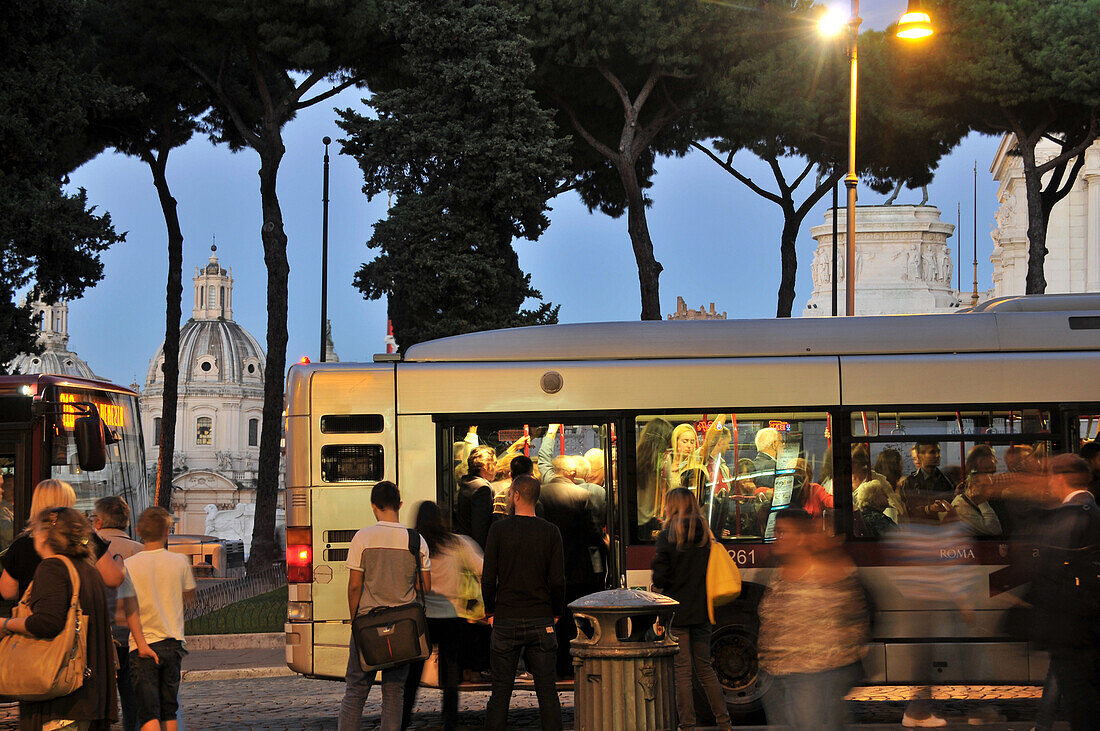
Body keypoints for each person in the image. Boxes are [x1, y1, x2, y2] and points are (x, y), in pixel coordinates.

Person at [0, 507, 118, 730]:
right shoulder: (88, 569)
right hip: (88, 694)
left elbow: (46, 623)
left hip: (62, 700)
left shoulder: (52, 568)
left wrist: (5, 624)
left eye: (34, 532)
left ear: (45, 535)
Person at [759, 509, 869, 730]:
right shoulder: (778, 573)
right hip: (776, 676)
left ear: (800, 538)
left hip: (815, 675)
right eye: (775, 532)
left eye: (782, 533)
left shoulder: (828, 572)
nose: (776, 539)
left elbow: (856, 619)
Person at [339, 481, 431, 731]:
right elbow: (426, 587)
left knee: (356, 689)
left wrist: (353, 619)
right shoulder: (416, 540)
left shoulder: (362, 538)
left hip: (368, 624)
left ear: (373, 506)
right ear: (399, 504)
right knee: (394, 692)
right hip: (402, 627)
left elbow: (355, 586)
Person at [1023, 454, 1100, 730]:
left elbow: (1047, 570)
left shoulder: (1068, 516)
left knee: (1081, 702)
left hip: (1069, 625)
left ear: (1059, 478)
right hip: (1088, 623)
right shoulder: (1094, 511)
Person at [482, 474, 565, 731]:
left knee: (500, 692)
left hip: (506, 617)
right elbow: (558, 580)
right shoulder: (551, 531)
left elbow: (488, 578)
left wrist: (490, 611)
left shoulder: (498, 530)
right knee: (547, 691)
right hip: (541, 618)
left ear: (515, 496)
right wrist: (556, 612)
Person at [650, 488, 732, 731]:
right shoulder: (706, 535)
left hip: (677, 612)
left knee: (682, 673)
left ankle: (687, 725)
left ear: (671, 506)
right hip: (702, 610)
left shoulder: (667, 536)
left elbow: (661, 577)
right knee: (705, 669)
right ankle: (724, 722)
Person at [400, 501, 483, 731]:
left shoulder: (414, 546)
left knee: (413, 677)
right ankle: (449, 722)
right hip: (452, 617)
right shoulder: (459, 544)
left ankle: (403, 721)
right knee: (450, 676)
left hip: (422, 618)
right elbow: (482, 568)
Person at [117, 507, 196, 731]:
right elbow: (189, 597)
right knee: (169, 710)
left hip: (142, 645)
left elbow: (128, 609)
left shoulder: (129, 565)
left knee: (148, 712)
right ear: (167, 531)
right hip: (172, 643)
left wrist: (140, 642)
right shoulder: (180, 561)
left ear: (140, 531)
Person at [1, 479, 124, 602]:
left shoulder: (21, 544)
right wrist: (118, 559)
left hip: (32, 617)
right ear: (67, 506)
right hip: (77, 617)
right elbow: (113, 578)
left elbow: (8, 593)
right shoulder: (83, 538)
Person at [540, 452, 599, 677]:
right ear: (572, 472)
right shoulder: (582, 495)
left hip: (548, 566)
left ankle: (556, 666)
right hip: (577, 566)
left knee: (554, 618)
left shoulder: (541, 493)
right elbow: (591, 533)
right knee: (576, 618)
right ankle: (575, 663)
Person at [94, 497, 145, 731]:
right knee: (131, 696)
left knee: (99, 693)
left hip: (101, 633)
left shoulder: (93, 550)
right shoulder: (141, 551)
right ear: (126, 522)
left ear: (98, 521)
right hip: (134, 634)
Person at [949, 445, 1002, 537]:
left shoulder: (984, 487)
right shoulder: (964, 507)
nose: (996, 461)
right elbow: (995, 530)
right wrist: (982, 502)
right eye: (992, 456)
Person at [899, 441, 956, 520]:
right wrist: (929, 509)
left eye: (938, 452)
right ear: (919, 456)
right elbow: (908, 510)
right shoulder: (910, 482)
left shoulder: (947, 481)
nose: (938, 455)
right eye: (932, 452)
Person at [636, 418, 674, 533]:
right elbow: (670, 490)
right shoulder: (664, 461)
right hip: (654, 521)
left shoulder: (636, 459)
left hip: (635, 519)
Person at [456, 445, 495, 550]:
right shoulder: (483, 489)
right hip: (476, 549)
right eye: (494, 464)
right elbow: (480, 526)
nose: (496, 467)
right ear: (485, 466)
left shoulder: (466, 483)